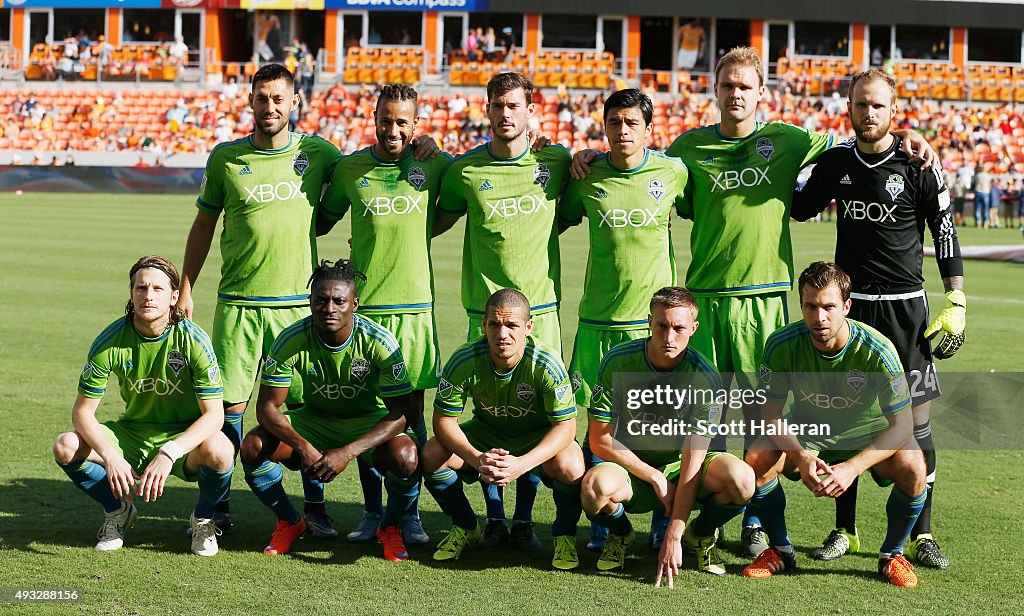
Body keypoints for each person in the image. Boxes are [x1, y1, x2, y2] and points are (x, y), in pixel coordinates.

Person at [571, 47, 937, 557]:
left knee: (759, 418)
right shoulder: (688, 149)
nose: (736, 94)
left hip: (762, 298)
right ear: (715, 91)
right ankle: (681, 517)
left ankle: (753, 524)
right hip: (705, 300)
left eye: (745, 86)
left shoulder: (788, 139)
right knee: (694, 417)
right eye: (727, 86)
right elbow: (637, 169)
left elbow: (861, 142)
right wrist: (584, 155)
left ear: (761, 93)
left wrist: (906, 140)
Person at [792, 69, 964, 570]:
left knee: (918, 422)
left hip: (906, 310)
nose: (869, 113)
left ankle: (921, 534)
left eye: (879, 105)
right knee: (848, 417)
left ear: (894, 109)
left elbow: (945, 230)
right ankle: (844, 528)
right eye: (861, 104)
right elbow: (800, 207)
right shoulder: (837, 162)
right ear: (849, 107)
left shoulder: (918, 164)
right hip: (851, 307)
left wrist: (957, 299)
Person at [176, 64, 341, 530]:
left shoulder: (320, 153)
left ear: (295, 103)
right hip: (239, 303)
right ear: (250, 101)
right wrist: (186, 287)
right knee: (228, 408)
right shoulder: (226, 158)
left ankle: (316, 506)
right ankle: (219, 504)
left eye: (278, 98)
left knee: (306, 408)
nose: (269, 106)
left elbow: (360, 183)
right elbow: (204, 224)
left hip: (295, 306)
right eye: (261, 98)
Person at [434, 72, 571, 544]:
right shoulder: (465, 171)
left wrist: (587, 156)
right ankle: (494, 516)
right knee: (493, 413)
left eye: (515, 105)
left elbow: (574, 204)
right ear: (487, 110)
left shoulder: (556, 160)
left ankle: (526, 519)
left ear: (531, 111)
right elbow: (435, 219)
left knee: (535, 418)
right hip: (485, 316)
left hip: (543, 315)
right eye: (498, 105)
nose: (506, 113)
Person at [317, 84, 453, 546]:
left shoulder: (435, 163)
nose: (393, 129)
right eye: (386, 119)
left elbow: (455, 204)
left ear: (416, 124)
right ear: (373, 118)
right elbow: (321, 219)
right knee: (366, 415)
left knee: (412, 418)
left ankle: (406, 516)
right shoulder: (351, 168)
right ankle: (372, 513)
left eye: (403, 122)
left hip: (414, 312)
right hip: (367, 312)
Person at [741, 261, 927, 588]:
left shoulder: (878, 351)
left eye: (829, 307)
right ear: (801, 305)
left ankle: (893, 555)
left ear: (846, 307)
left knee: (914, 467)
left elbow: (902, 426)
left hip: (867, 434)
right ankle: (780, 551)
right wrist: (800, 457)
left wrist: (851, 468)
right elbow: (769, 416)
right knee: (756, 459)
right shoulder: (780, 344)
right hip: (809, 431)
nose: (819, 317)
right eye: (810, 306)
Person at [558, 88, 688, 551]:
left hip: (649, 326)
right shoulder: (586, 175)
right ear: (605, 127)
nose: (623, 131)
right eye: (615, 122)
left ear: (648, 128)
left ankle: (660, 514)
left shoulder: (672, 172)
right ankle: (603, 521)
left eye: (632, 122)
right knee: (599, 428)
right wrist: (575, 157)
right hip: (598, 321)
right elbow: (558, 215)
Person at [52, 257, 234, 557]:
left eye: (158, 289)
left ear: (174, 296)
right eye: (141, 288)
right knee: (66, 446)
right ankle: (118, 510)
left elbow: (214, 415)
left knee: (221, 450)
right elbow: (82, 413)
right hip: (132, 434)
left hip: (183, 440)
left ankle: (202, 519)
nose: (148, 295)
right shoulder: (111, 340)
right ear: (132, 292)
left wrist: (169, 452)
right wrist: (110, 455)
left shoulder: (194, 340)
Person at [239, 259, 420, 562]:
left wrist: (347, 452)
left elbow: (402, 413)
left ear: (355, 304)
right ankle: (289, 521)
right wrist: (304, 447)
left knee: (408, 458)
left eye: (339, 301)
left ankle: (388, 527)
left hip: (366, 422)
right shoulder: (291, 338)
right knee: (252, 447)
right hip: (315, 422)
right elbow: (267, 407)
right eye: (321, 300)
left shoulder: (379, 342)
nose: (329, 308)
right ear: (310, 302)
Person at [579, 287, 754, 577]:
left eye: (679, 328)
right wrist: (654, 476)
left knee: (741, 479)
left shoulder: (706, 378)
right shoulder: (618, 361)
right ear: (649, 322)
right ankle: (621, 534)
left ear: (694, 328)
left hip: (684, 469)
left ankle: (699, 535)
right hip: (633, 468)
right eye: (661, 325)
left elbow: (693, 459)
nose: (669, 337)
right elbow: (599, 439)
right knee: (593, 489)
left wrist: (675, 531)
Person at [421, 289, 585, 569]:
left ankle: (564, 536)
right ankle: (465, 525)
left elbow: (566, 427)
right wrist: (476, 459)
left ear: (528, 326)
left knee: (571, 464)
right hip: (487, 433)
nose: (502, 334)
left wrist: (521, 464)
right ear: (483, 324)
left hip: (535, 438)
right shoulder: (465, 359)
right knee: (432, 452)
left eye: (512, 325)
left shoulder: (546, 364)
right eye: (495, 324)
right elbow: (443, 422)